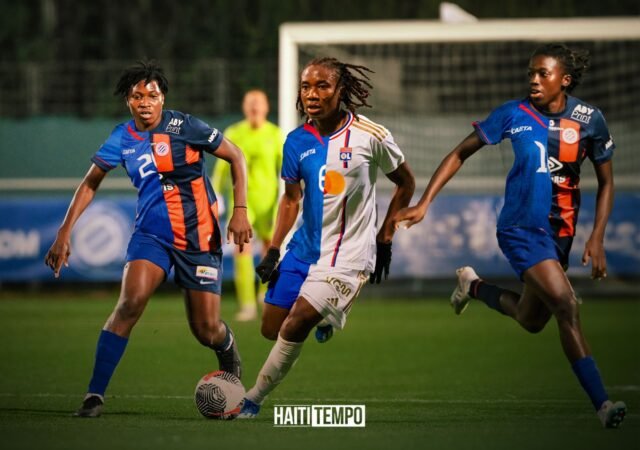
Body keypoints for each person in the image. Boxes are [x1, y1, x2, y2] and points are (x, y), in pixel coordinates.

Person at [393, 43, 625, 428]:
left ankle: (473, 286)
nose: (533, 80)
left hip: (559, 235)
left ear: (564, 80)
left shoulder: (590, 119)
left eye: (543, 74)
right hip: (520, 228)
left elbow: (607, 182)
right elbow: (459, 153)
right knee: (567, 305)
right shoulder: (512, 113)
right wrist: (424, 203)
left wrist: (597, 235)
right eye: (531, 73)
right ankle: (603, 405)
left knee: (531, 319)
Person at [44, 60, 252, 418]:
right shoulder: (121, 137)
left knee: (205, 329)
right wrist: (65, 231)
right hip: (151, 235)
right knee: (130, 303)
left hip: (199, 238)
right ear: (128, 101)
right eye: (137, 96)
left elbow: (235, 155)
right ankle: (94, 395)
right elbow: (91, 182)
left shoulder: (185, 126)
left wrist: (240, 209)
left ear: (163, 98)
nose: (145, 102)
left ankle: (227, 349)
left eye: (152, 96)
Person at [236, 57, 415, 418]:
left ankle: (252, 399)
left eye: (322, 86)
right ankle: (324, 316)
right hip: (304, 249)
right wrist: (274, 249)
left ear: (340, 90)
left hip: (348, 255)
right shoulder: (296, 141)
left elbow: (406, 183)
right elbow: (291, 199)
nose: (312, 94)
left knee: (295, 323)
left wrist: (385, 236)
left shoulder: (371, 135)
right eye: (306, 87)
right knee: (271, 329)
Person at [212, 89, 283, 321]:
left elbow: (285, 169)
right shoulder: (234, 132)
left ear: (266, 107)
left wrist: (288, 195)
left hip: (268, 200)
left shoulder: (275, 134)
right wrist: (216, 194)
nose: (254, 107)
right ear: (244, 107)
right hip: (241, 201)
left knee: (270, 248)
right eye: (250, 103)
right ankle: (247, 304)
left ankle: (265, 295)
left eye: (258, 103)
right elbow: (221, 168)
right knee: (242, 247)